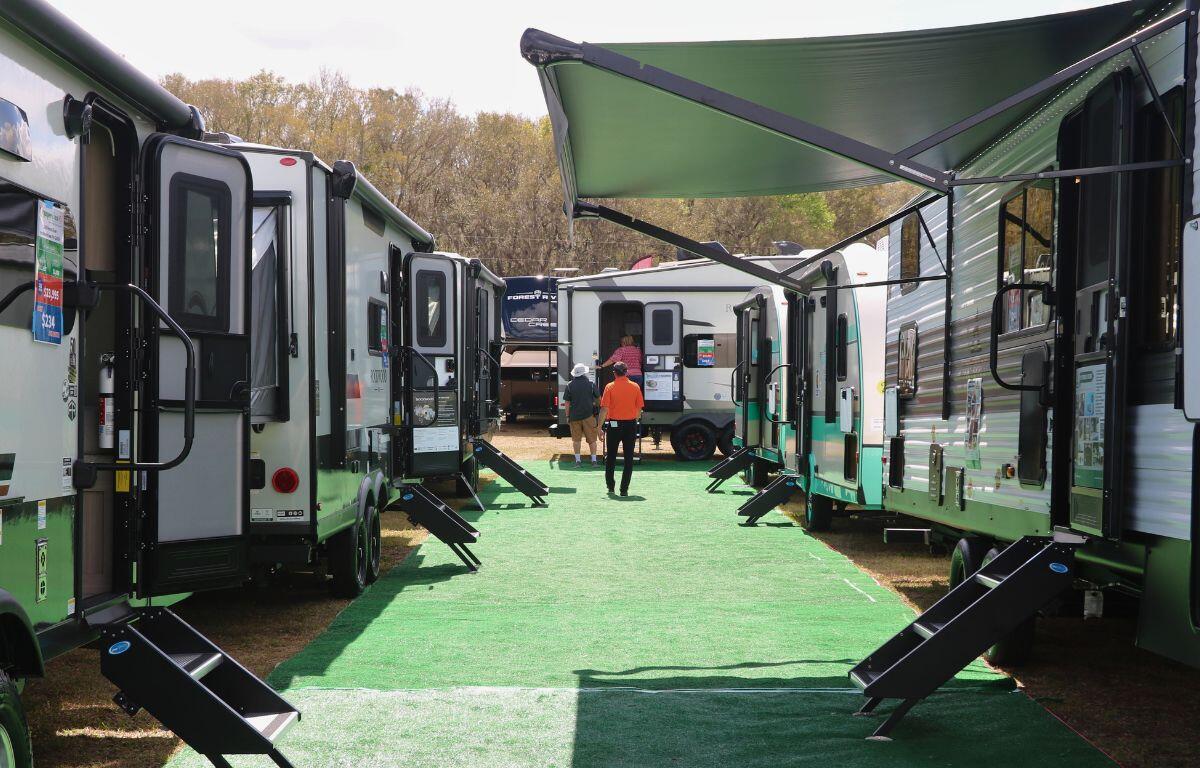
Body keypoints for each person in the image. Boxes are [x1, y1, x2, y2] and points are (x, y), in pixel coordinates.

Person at [599, 361, 644, 497]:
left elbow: (604, 409)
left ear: (614, 373)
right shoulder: (635, 386)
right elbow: (639, 409)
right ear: (626, 372)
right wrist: (633, 421)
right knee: (629, 458)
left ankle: (610, 486)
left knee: (611, 456)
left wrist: (599, 427)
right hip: (630, 424)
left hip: (614, 424)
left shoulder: (610, 387)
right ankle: (624, 489)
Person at [563, 363, 599, 467]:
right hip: (589, 416)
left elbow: (567, 403)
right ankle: (594, 461)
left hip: (574, 417)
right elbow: (598, 399)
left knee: (576, 440)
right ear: (584, 373)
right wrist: (596, 406)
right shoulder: (591, 384)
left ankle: (578, 461)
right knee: (592, 440)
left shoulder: (569, 385)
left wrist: (567, 416)